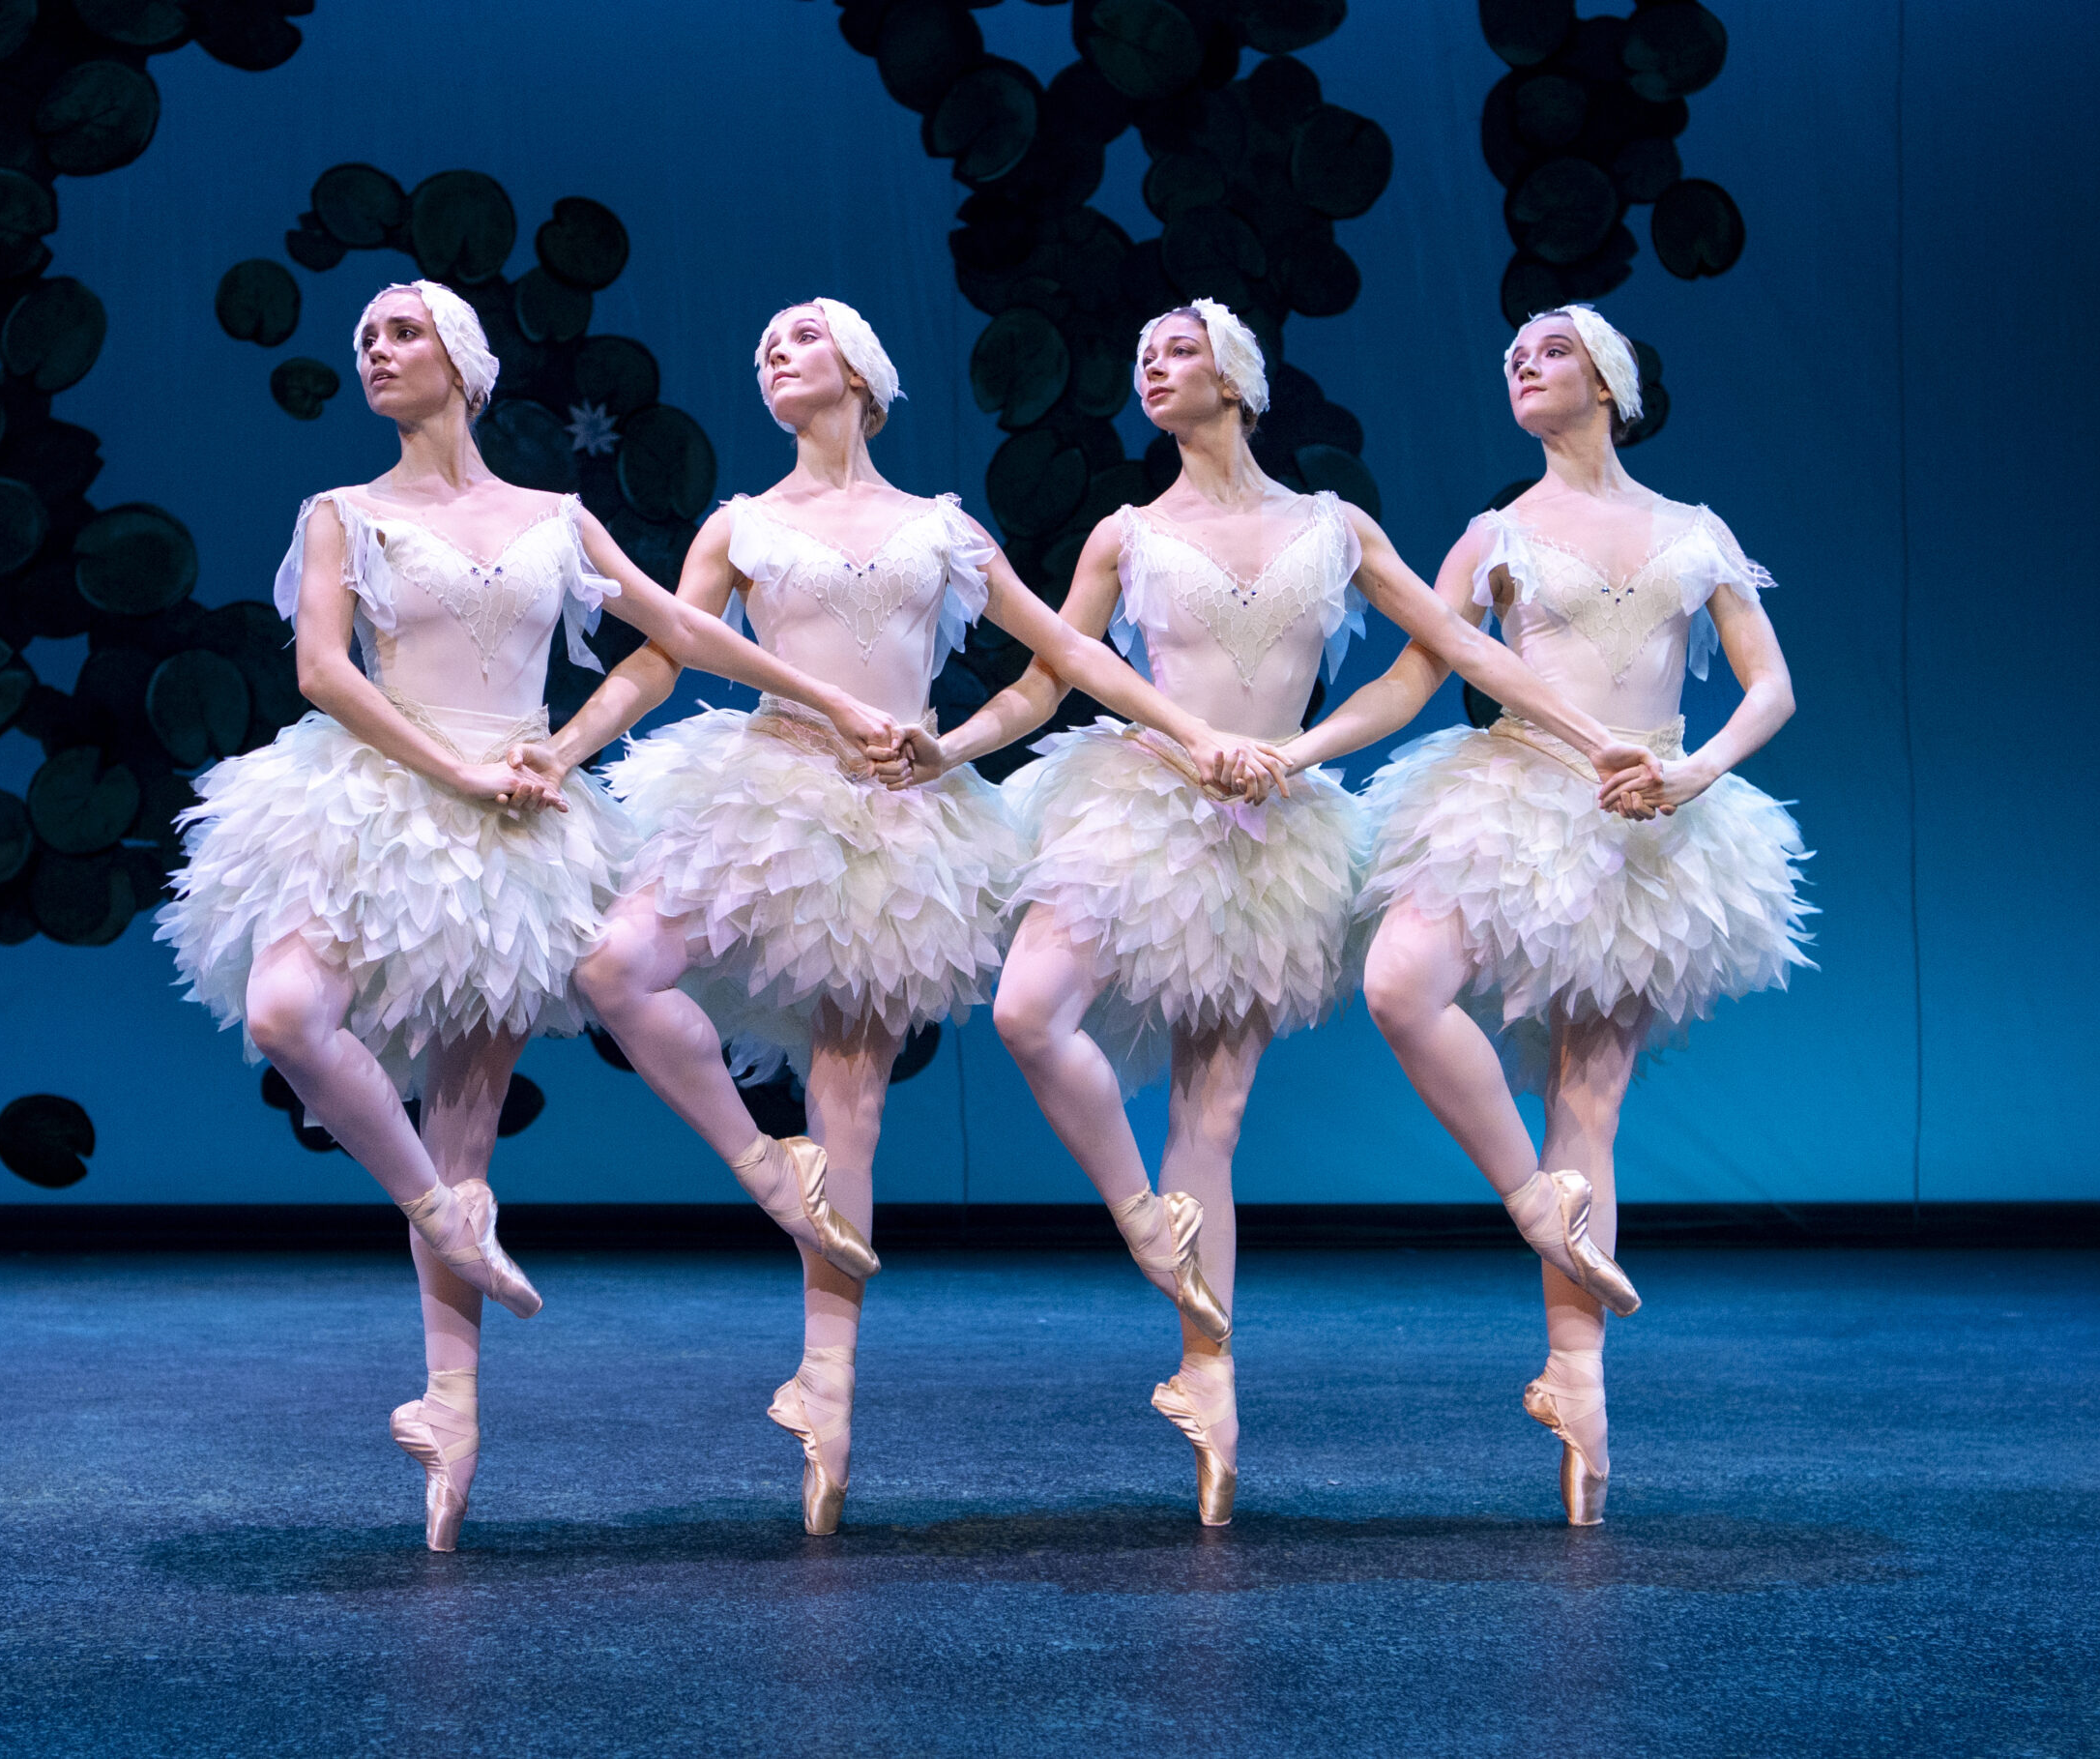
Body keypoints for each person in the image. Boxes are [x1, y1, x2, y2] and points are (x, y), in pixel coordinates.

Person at [157, 280, 897, 1551]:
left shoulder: (556, 516)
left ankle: (452, 1405)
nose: (376, 352)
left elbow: (674, 633)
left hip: (516, 818)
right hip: (381, 796)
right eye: (365, 341)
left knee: (465, 1117)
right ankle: (444, 1218)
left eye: (399, 332)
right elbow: (323, 670)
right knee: (289, 1010)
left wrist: (825, 701)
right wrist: (452, 771)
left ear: (461, 359)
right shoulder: (340, 512)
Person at [906, 299, 1652, 1526]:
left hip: (1274, 823)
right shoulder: (1126, 531)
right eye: (1140, 353)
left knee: (1217, 1110)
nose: (1152, 365)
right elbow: (1051, 675)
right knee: (1030, 1008)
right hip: (1145, 798)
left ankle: (1210, 1379)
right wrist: (949, 748)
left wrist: (1313, 752)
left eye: (1177, 348)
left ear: (1237, 375)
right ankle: (1147, 1220)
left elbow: (1450, 657)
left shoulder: (1333, 526)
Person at [558, 298, 1286, 1535]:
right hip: (768, 790)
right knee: (617, 964)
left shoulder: (939, 527)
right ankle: (760, 1164)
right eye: (761, 345)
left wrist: (1165, 731)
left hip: (898, 816)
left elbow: (1063, 655)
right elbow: (669, 649)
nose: (770, 353)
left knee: (854, 1103)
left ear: (859, 371)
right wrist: (568, 740)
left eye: (795, 337)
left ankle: (826, 1397)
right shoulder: (742, 521)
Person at [1281, 304, 1811, 1525]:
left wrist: (1694, 769)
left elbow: (1770, 681)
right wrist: (1300, 748)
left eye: (1551, 348)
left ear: (1611, 379)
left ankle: (1579, 1390)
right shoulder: (1494, 530)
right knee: (1399, 978)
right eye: (1511, 352)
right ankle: (1531, 1197)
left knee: (1592, 1095)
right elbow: (1424, 667)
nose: (1522, 361)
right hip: (1517, 794)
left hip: (1648, 812)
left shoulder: (1693, 530)